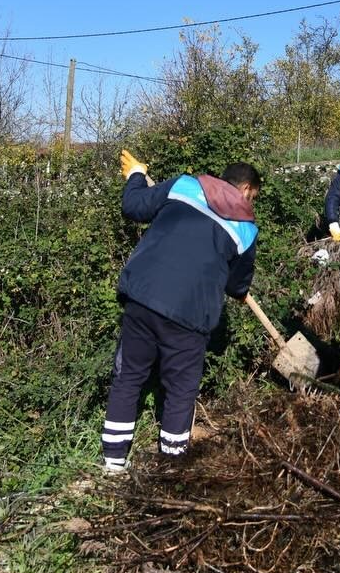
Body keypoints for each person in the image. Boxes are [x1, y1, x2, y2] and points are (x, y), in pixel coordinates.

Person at [99, 150, 261, 473]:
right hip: (190, 315)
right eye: (252, 197)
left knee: (128, 378)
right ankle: (171, 471)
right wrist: (239, 290)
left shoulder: (184, 186)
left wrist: (135, 176)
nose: (250, 203)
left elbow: (133, 206)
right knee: (181, 391)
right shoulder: (246, 230)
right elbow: (235, 286)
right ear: (245, 191)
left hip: (142, 297)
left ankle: (113, 465)